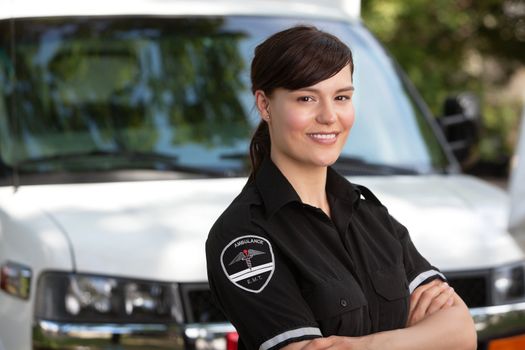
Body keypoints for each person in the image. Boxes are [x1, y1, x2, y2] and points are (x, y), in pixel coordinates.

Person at [205, 25, 476, 350]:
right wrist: (420, 339)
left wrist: (357, 346)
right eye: (306, 98)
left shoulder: (370, 214)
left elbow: (461, 332)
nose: (329, 116)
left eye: (342, 97)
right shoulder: (242, 237)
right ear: (265, 105)